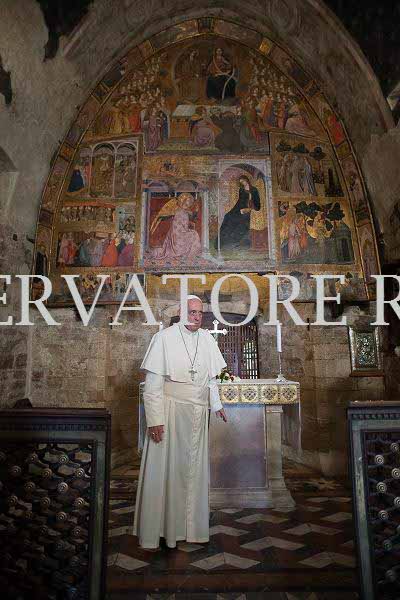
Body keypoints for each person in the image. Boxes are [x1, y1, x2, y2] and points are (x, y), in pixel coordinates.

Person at [133, 296, 228, 550]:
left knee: (193, 473)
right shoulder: (163, 338)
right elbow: (153, 385)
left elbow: (210, 380)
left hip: (198, 413)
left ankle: (191, 529)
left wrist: (217, 405)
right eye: (192, 312)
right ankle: (165, 530)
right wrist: (155, 420)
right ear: (181, 312)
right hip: (170, 412)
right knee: (170, 471)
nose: (196, 317)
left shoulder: (207, 339)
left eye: (200, 313)